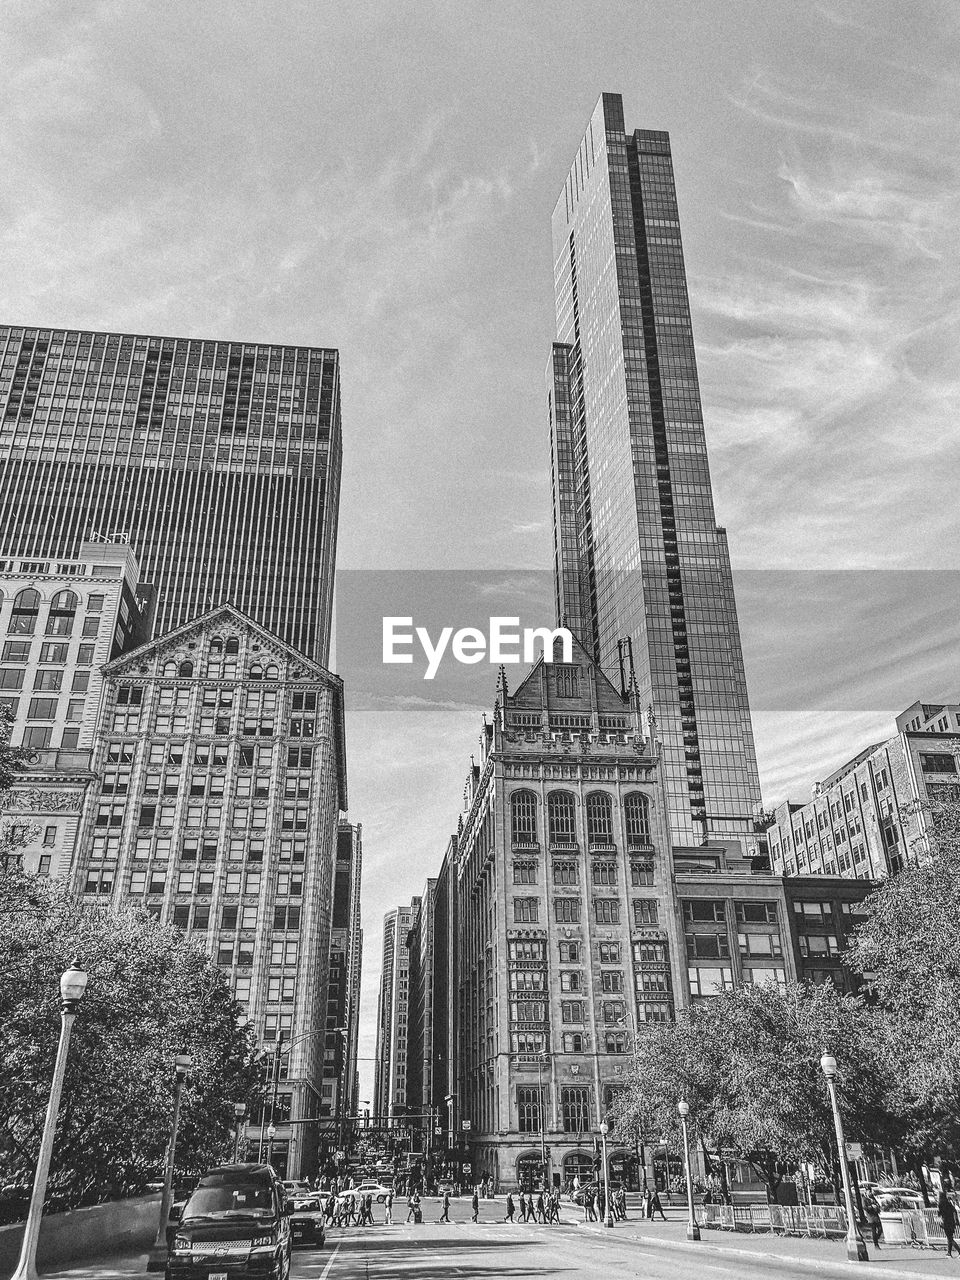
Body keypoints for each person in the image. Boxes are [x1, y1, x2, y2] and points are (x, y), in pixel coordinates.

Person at [939, 1185, 960, 1257]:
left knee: (950, 1238)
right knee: (949, 1237)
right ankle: (949, 1253)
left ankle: (959, 1251)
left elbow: (940, 1213)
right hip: (951, 1222)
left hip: (946, 1222)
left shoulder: (941, 1203)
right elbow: (954, 1211)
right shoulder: (949, 1203)